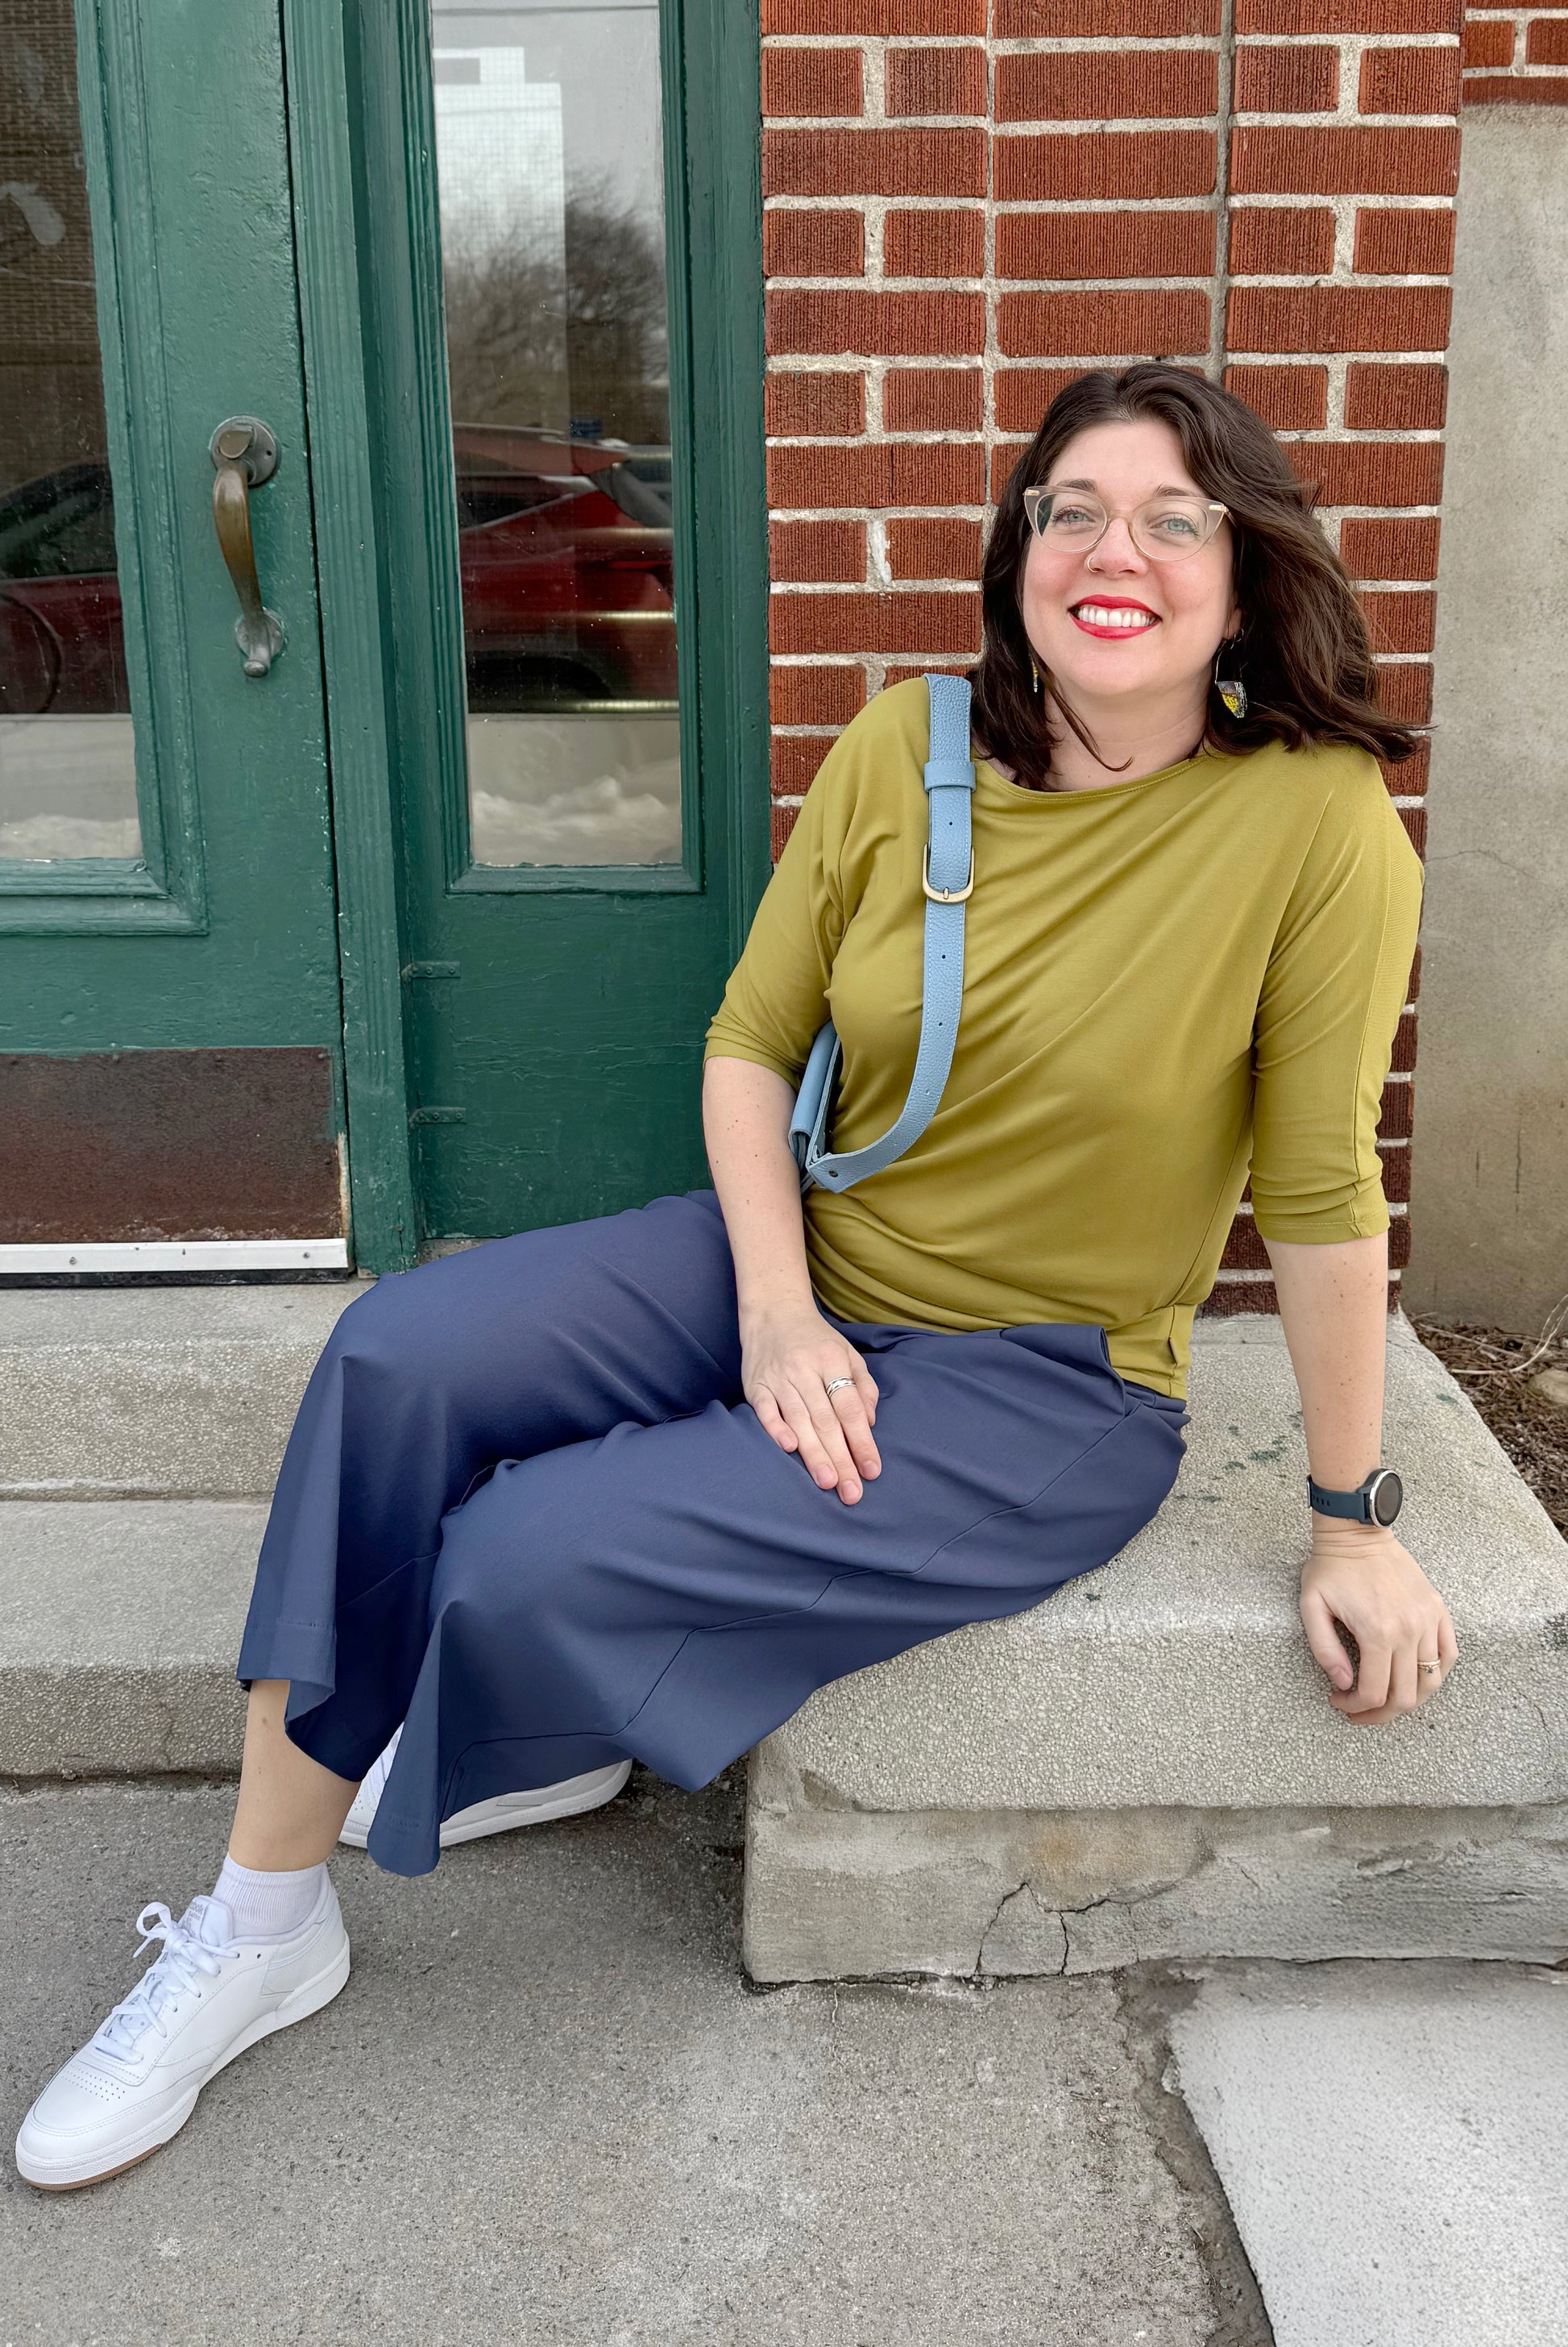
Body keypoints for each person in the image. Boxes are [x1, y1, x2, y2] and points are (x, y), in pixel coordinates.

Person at [15, 363, 1456, 2193]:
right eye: (1073, 507)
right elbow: (752, 1046)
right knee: (397, 1353)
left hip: (1046, 1382)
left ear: (1245, 580)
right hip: (802, 1256)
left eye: (1178, 518)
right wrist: (775, 1311)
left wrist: (1350, 1514)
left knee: (528, 1549)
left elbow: (1324, 1187)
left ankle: (526, 1712)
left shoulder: (1314, 819)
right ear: (1017, 548)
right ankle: (258, 1922)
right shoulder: (906, 742)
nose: (1118, 551)